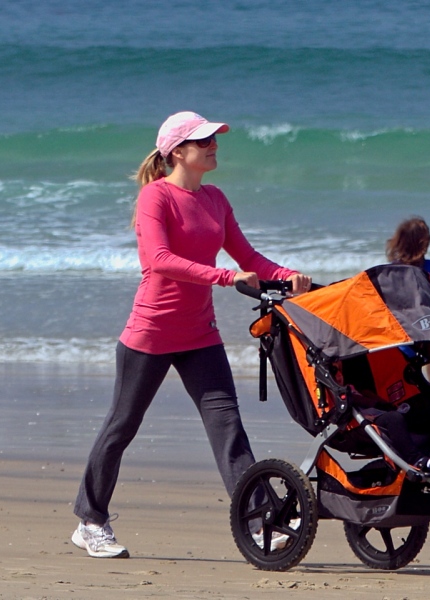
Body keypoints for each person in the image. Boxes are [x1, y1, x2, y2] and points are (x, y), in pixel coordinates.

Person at [71, 111, 311, 559]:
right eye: (204, 141)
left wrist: (290, 276)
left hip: (200, 334)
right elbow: (159, 259)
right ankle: (91, 520)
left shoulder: (216, 199)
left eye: (214, 139)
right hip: (151, 333)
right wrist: (224, 277)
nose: (214, 145)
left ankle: (260, 520)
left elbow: (249, 257)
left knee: (228, 428)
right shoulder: (155, 198)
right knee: (122, 427)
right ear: (177, 152)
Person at [386, 216, 430, 387]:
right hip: (429, 325)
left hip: (403, 326)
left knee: (405, 365)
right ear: (424, 244)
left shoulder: (393, 269)